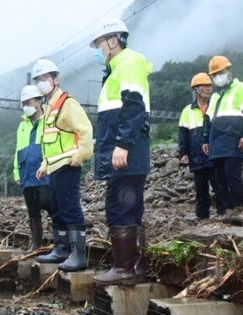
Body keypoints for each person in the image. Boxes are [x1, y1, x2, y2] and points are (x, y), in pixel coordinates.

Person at [89, 18, 152, 286]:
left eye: (100, 44)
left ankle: (124, 267)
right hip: (124, 151)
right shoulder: (118, 68)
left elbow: (134, 106)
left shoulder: (127, 63)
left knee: (119, 206)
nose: (98, 50)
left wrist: (122, 145)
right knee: (131, 207)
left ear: (113, 41)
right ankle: (136, 265)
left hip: (125, 152)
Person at [33, 59, 94, 272]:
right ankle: (61, 250)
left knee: (70, 208)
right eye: (38, 79)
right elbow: (50, 142)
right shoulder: (49, 108)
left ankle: (78, 255)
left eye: (45, 78)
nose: (42, 82)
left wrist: (80, 156)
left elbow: (85, 130)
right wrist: (44, 165)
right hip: (54, 167)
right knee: (57, 209)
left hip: (68, 165)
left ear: (55, 79)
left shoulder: (68, 103)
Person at [202, 56, 243, 224]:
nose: (218, 76)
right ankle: (227, 210)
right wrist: (206, 139)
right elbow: (208, 120)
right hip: (217, 143)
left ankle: (239, 208)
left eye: (221, 72)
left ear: (229, 71)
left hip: (233, 142)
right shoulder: (216, 97)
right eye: (215, 74)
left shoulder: (241, 89)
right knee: (219, 179)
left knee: (232, 175)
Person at [179, 73, 223, 222]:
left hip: (215, 154)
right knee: (201, 188)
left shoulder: (217, 106)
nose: (208, 89)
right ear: (196, 89)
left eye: (209, 86)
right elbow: (183, 134)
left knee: (219, 185)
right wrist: (183, 152)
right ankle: (202, 215)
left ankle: (223, 213)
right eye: (204, 86)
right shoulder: (187, 111)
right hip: (197, 155)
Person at [13, 85, 51, 252]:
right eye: (23, 103)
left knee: (51, 207)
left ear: (38, 102)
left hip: (45, 173)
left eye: (28, 102)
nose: (25, 106)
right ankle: (36, 244)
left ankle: (60, 244)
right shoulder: (22, 126)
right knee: (33, 212)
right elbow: (17, 150)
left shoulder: (49, 119)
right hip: (27, 174)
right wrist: (16, 171)